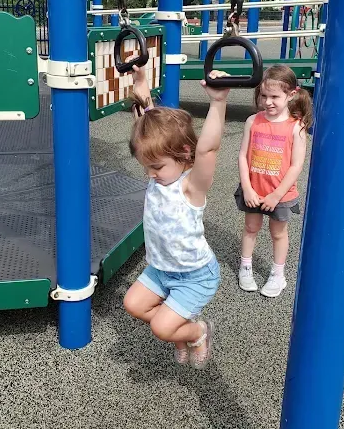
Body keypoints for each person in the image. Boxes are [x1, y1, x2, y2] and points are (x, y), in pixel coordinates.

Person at [123, 60, 230, 369]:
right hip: (161, 269)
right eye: (146, 166)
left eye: (155, 167)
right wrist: (140, 80)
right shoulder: (161, 170)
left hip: (194, 275)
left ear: (184, 152)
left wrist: (218, 101)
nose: (150, 174)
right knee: (133, 304)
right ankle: (179, 332)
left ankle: (198, 331)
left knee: (160, 327)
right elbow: (146, 116)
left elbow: (208, 150)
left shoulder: (190, 186)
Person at [235, 64, 312, 297]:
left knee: (278, 233)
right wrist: (247, 188)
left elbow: (296, 165)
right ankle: (245, 266)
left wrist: (277, 195)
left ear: (291, 95)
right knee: (251, 227)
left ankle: (278, 274)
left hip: (280, 194)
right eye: (264, 96)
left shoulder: (296, 127)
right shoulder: (253, 121)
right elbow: (242, 156)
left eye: (275, 97)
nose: (268, 102)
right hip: (254, 190)